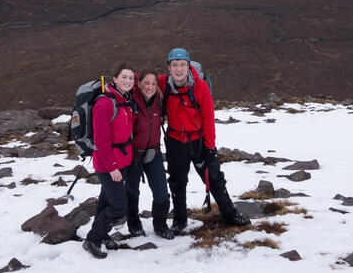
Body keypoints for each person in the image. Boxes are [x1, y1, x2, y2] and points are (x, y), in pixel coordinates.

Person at [159, 48, 251, 234]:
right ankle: (179, 220)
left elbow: (208, 119)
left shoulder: (199, 86)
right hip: (176, 141)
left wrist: (210, 148)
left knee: (214, 178)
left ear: (188, 66)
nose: (178, 69)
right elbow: (140, 79)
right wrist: (115, 79)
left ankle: (230, 214)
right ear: (168, 68)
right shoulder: (163, 83)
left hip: (198, 141)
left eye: (182, 65)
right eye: (174, 65)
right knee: (177, 181)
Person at [83, 64, 136, 259]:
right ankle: (92, 239)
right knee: (118, 206)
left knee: (106, 201)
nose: (128, 81)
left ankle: (101, 235)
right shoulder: (105, 103)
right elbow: (102, 141)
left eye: (131, 78)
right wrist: (112, 168)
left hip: (122, 161)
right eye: (124, 77)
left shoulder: (123, 100)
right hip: (108, 164)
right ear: (114, 79)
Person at [123, 70, 175, 239]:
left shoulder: (159, 102)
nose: (150, 87)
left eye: (154, 84)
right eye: (146, 83)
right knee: (132, 192)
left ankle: (160, 225)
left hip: (154, 153)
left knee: (161, 193)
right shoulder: (131, 100)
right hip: (133, 155)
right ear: (139, 83)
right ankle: (134, 225)